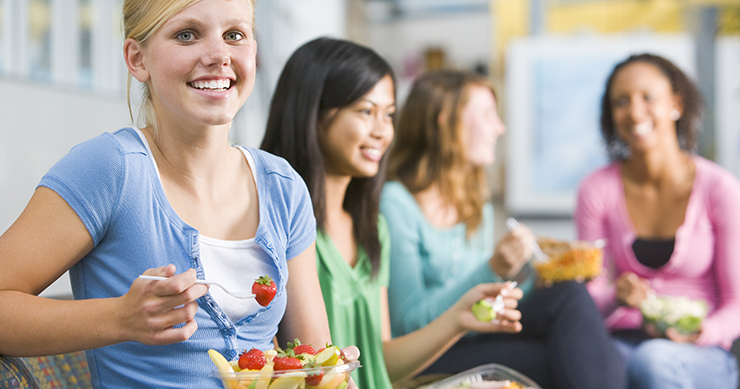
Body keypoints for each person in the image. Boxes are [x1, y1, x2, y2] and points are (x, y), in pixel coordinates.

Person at [0, 1, 343, 388]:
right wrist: (118, 318)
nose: (218, 55)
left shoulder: (283, 186)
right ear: (137, 59)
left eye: (235, 35)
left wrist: (331, 374)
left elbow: (314, 360)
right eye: (187, 35)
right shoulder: (111, 168)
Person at [261, 37, 524, 388]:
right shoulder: (278, 226)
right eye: (366, 111)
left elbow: (381, 363)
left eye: (388, 115)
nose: (383, 132)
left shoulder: (372, 228)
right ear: (314, 112)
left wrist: (459, 318)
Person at [382, 70, 625, 389]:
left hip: (472, 334)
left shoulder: (474, 202)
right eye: (486, 114)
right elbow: (408, 322)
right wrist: (492, 269)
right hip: (427, 352)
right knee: (572, 358)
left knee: (569, 296)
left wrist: (539, 277)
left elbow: (484, 304)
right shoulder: (397, 203)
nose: (500, 127)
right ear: (446, 120)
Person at [575, 53, 740, 388]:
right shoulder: (596, 189)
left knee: (653, 361)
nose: (635, 112)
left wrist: (700, 332)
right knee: (587, 363)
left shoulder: (719, 188)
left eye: (648, 97)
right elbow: (588, 301)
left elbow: (737, 304)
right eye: (621, 101)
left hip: (703, 352)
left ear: (676, 104)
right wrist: (615, 297)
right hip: (624, 340)